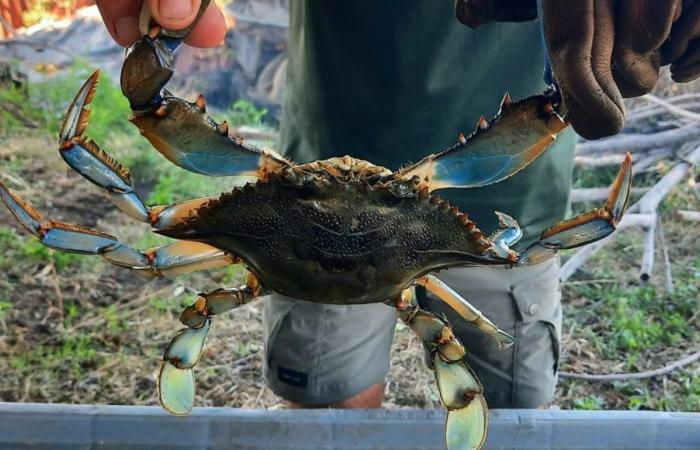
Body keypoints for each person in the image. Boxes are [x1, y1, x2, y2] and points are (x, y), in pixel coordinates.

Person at [97, 0, 700, 410]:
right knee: (332, 415)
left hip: (498, 215)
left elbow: (142, 224)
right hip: (309, 193)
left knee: (508, 417)